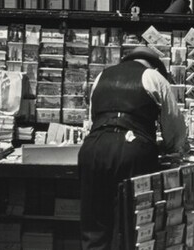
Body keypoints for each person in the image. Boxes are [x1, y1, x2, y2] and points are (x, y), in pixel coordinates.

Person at [78, 46, 187, 250]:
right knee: (131, 224)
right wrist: (167, 146)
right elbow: (175, 130)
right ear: (154, 65)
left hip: (94, 147)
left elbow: (94, 117)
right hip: (132, 149)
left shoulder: (102, 76)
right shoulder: (154, 77)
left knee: (94, 226)